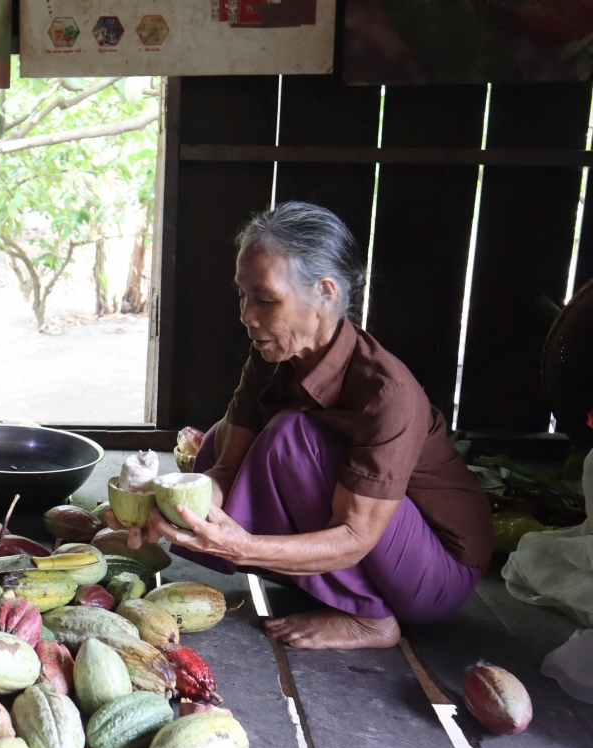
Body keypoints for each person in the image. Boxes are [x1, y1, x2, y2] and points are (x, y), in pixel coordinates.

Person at [110, 201, 493, 650]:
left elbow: (355, 537)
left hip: (435, 573)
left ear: (325, 294)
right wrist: (169, 513)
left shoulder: (387, 392)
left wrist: (242, 546)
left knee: (292, 439)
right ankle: (327, 588)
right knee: (217, 441)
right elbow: (226, 469)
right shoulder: (271, 353)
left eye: (266, 299)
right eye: (243, 295)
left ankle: (370, 617)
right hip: (369, 549)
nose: (247, 315)